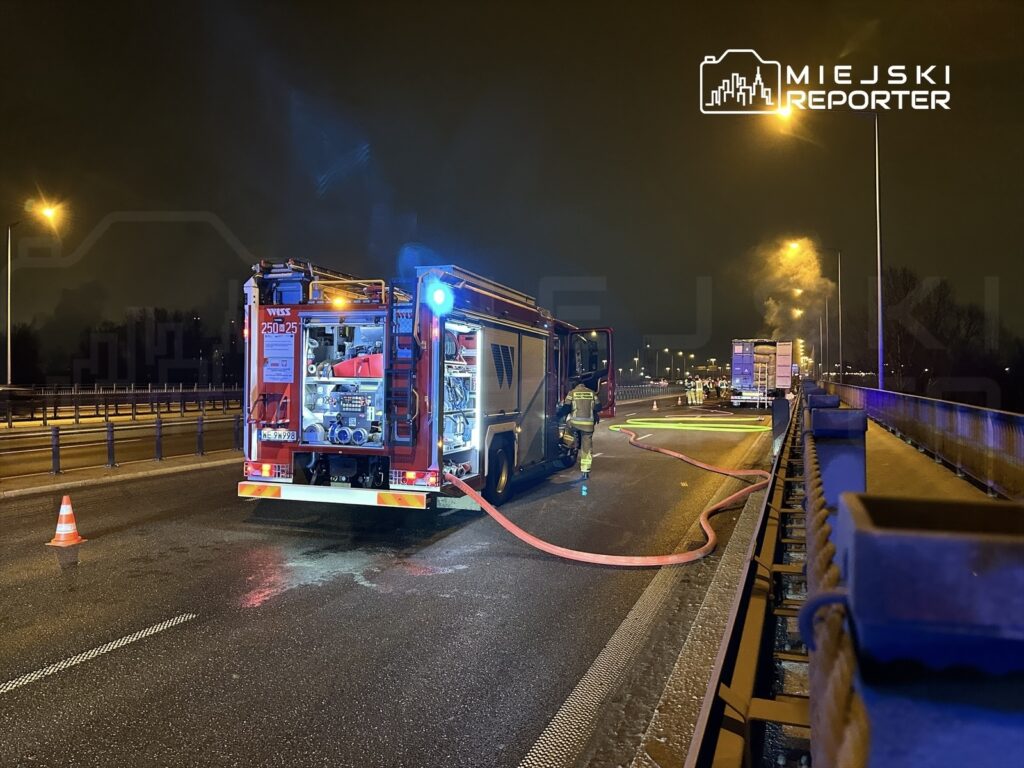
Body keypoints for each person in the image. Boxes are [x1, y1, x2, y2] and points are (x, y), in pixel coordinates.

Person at [561, 379, 601, 477]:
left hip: (575, 423)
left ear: (575, 385)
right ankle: (585, 470)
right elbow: (599, 407)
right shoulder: (591, 393)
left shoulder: (572, 393)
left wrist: (557, 415)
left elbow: (566, 408)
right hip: (588, 425)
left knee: (568, 429)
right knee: (587, 447)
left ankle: (568, 445)